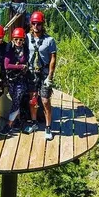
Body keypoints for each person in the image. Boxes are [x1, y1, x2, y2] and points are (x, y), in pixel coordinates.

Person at [25, 11, 57, 140]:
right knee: (33, 99)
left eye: (38, 24)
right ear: (31, 24)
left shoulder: (49, 40)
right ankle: (33, 123)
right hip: (32, 73)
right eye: (34, 23)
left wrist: (50, 76)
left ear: (42, 25)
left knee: (45, 101)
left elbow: (53, 59)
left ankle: (48, 127)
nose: (36, 26)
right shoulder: (26, 38)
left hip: (43, 74)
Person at [0, 27, 29, 135]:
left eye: (20, 39)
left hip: (21, 79)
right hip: (11, 79)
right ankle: (18, 121)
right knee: (15, 100)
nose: (18, 42)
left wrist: (22, 67)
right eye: (16, 39)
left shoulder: (24, 48)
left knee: (16, 101)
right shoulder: (10, 48)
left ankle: (9, 125)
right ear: (13, 39)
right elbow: (6, 65)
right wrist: (21, 66)